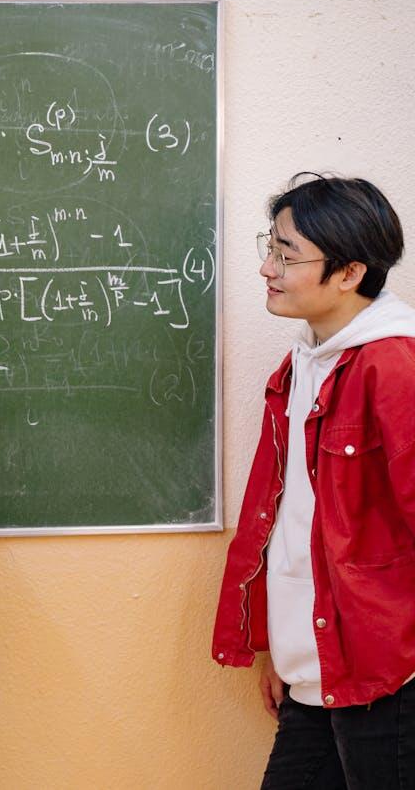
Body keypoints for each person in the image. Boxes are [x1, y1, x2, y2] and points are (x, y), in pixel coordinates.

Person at [212, 173, 415, 788]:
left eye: (287, 254)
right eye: (269, 247)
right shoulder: (304, 364)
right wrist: (287, 647)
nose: (267, 268)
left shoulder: (393, 366)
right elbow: (291, 523)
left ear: (350, 272)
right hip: (319, 670)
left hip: (388, 675)